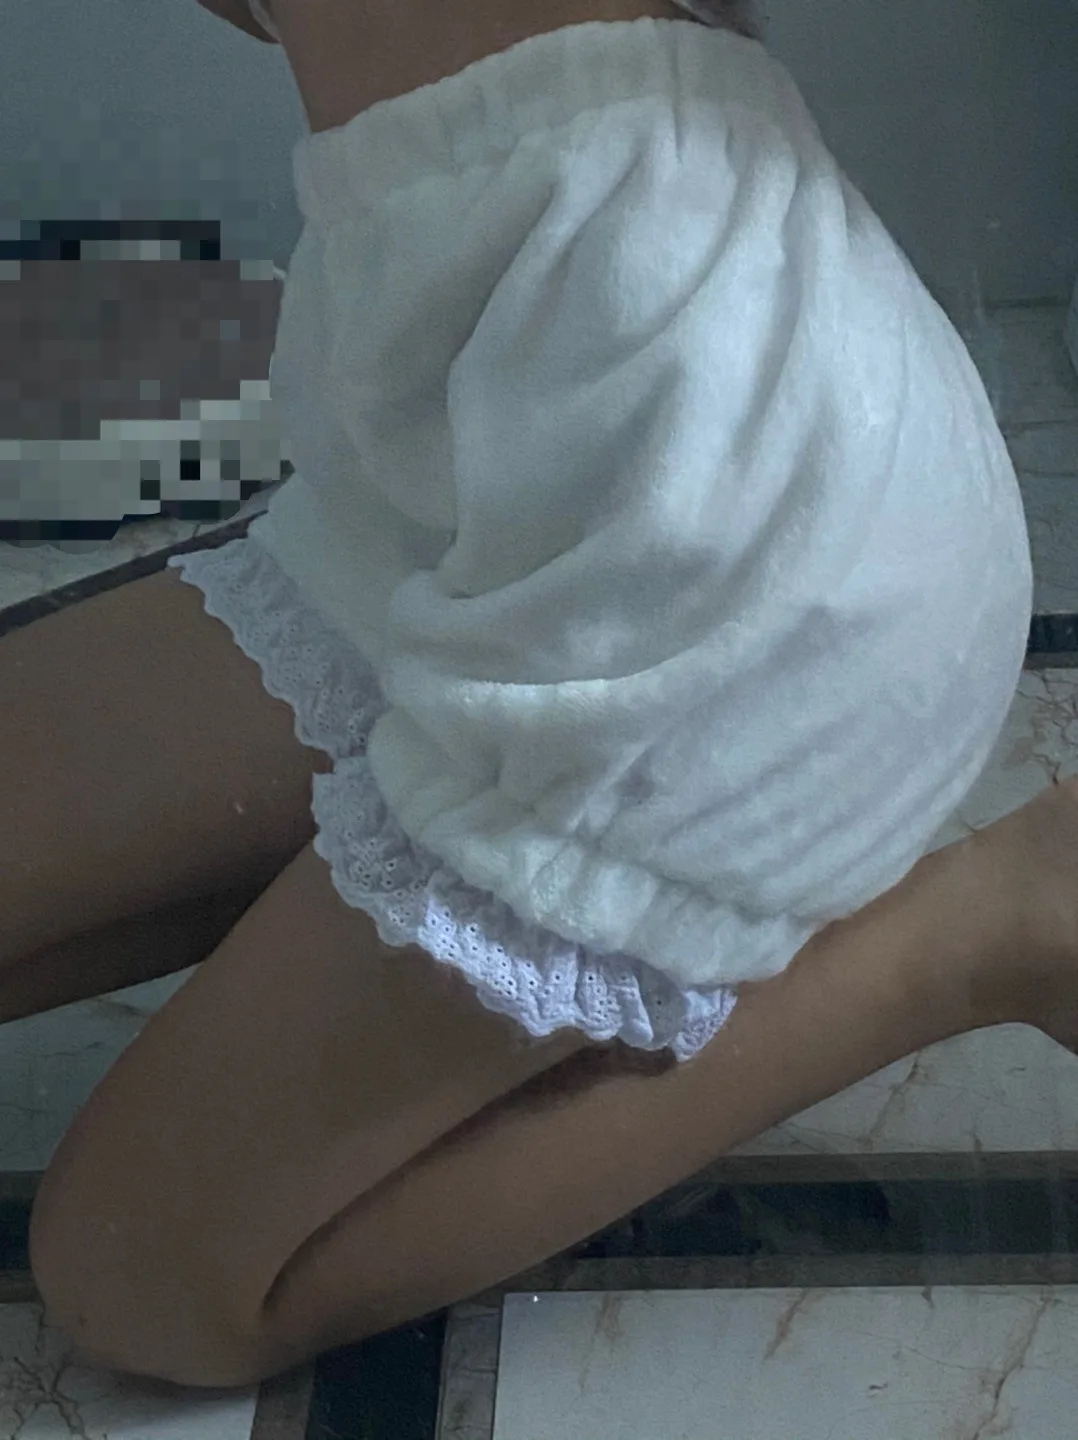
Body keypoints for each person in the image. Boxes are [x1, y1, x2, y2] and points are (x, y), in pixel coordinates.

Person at [9, 0, 1075, 1391]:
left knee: (143, 1275)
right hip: (466, 460)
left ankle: (995, 925)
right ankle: (358, 896)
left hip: (734, 573)